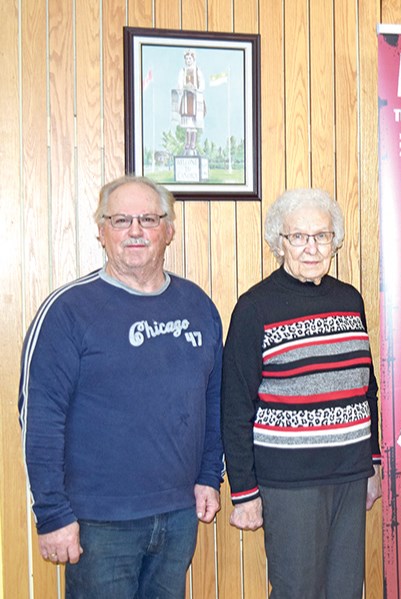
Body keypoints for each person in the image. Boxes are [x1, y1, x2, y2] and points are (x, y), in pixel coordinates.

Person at [18, 175, 224, 597]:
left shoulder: (198, 305)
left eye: (148, 218)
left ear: (168, 230)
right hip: (98, 523)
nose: (135, 231)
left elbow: (214, 401)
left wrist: (208, 475)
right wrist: (53, 514)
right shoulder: (67, 311)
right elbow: (39, 418)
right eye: (121, 219)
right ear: (100, 230)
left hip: (178, 514)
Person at [222, 188, 382, 599]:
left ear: (335, 241)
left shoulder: (350, 300)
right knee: (298, 592)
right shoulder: (255, 308)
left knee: (347, 590)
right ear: (279, 242)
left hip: (349, 474)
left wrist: (372, 464)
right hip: (290, 482)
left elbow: (368, 389)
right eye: (299, 237)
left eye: (322, 236)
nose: (312, 247)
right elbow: (235, 405)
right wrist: (244, 492)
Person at [175, 49, 205, 155]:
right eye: (186, 59)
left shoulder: (197, 71)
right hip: (186, 99)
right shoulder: (182, 71)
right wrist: (184, 87)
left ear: (193, 59)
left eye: (190, 58)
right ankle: (187, 143)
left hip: (195, 99)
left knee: (194, 122)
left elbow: (202, 85)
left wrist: (196, 88)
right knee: (188, 123)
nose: (188, 61)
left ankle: (193, 143)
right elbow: (179, 84)